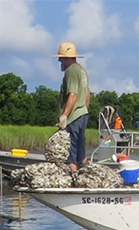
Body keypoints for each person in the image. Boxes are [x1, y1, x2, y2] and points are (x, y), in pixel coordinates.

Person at [54, 42, 90, 172]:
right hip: (83, 114)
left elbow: (73, 95)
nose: (59, 60)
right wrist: (84, 110)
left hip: (74, 117)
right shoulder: (82, 71)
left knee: (71, 153)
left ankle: (73, 179)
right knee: (81, 152)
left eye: (61, 58)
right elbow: (87, 94)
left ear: (67, 58)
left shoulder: (71, 71)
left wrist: (64, 116)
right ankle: (84, 175)